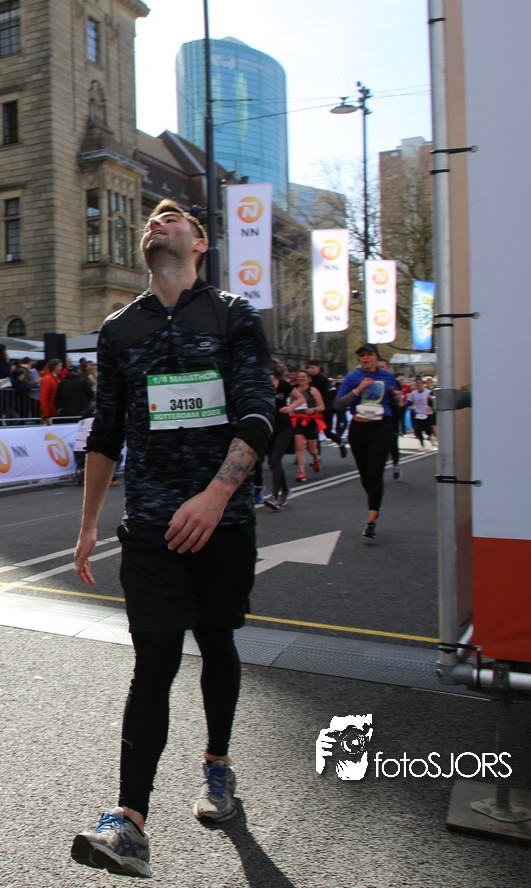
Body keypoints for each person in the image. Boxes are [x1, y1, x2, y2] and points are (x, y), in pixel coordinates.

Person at [71, 199, 274, 878]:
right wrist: (88, 524)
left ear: (201, 242)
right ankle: (129, 822)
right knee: (153, 662)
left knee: (216, 643)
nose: (157, 223)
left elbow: (257, 414)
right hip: (152, 530)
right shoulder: (119, 329)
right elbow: (106, 433)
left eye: (173, 217)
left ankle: (217, 764)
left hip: (224, 526)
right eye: (151, 219)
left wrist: (216, 497)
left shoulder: (234, 315)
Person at [335, 343, 404, 540]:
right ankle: (376, 496)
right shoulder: (353, 377)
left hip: (381, 427)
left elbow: (398, 402)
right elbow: (338, 404)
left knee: (375, 472)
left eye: (369, 354)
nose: (365, 358)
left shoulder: (387, 377)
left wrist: (398, 397)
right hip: (359, 428)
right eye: (362, 355)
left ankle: (371, 522)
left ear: (376, 357)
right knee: (365, 475)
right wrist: (359, 389)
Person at [262, 365, 295, 511]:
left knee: (275, 460)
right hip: (270, 426)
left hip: (284, 427)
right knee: (272, 462)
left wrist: (290, 407)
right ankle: (286, 490)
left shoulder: (284, 385)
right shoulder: (264, 385)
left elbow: (301, 398)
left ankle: (275, 497)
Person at [287, 369, 324, 483]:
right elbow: (291, 405)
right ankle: (301, 473)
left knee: (311, 448)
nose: (301, 379)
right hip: (298, 421)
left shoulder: (313, 390)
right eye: (299, 377)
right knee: (299, 446)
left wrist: (313, 410)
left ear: (308, 379)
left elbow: (322, 406)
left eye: (303, 377)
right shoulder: (293, 391)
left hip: (311, 421)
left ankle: (316, 457)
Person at [307, 360, 346, 458]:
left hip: (326, 409)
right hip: (316, 409)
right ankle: (317, 457)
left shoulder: (322, 379)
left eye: (312, 368)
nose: (310, 370)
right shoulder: (311, 379)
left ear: (318, 368)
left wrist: (325, 406)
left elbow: (330, 393)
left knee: (327, 432)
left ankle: (340, 442)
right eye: (309, 368)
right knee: (314, 432)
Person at [408, 377, 436, 447]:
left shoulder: (428, 392)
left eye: (420, 383)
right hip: (418, 413)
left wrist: (431, 406)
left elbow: (433, 401)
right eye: (417, 384)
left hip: (427, 414)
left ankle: (431, 437)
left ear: (423, 384)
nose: (418, 385)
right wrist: (410, 406)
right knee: (418, 429)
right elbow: (409, 401)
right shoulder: (413, 393)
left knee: (427, 429)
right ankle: (422, 444)